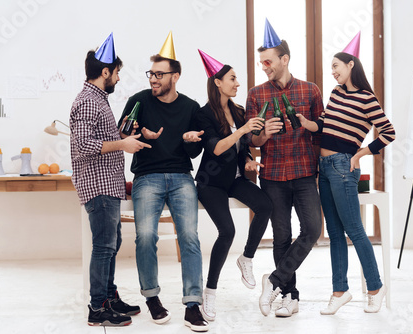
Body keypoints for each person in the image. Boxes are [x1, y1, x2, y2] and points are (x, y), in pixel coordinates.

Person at [117, 32, 208, 332]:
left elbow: (194, 150)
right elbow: (121, 135)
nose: (153, 79)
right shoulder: (139, 101)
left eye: (159, 74)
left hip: (182, 176)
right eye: (151, 74)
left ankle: (193, 305)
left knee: (190, 238)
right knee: (145, 236)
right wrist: (140, 134)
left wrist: (190, 139)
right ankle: (152, 297)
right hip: (147, 177)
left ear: (175, 76)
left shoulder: (191, 107)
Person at [297, 51, 396, 314]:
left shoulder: (367, 98)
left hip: (343, 166)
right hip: (324, 167)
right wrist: (308, 123)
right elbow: (325, 123)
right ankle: (340, 291)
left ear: (351, 65)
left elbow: (389, 132)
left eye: (336, 66)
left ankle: (375, 288)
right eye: (331, 67)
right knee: (334, 232)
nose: (333, 71)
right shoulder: (336, 93)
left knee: (354, 229)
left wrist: (362, 152)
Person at [245, 20, 323, 317]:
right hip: (273, 176)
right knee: (281, 237)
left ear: (284, 59)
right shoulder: (256, 94)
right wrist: (263, 135)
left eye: (268, 61)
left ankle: (274, 281)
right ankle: (290, 296)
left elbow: (321, 132)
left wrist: (308, 124)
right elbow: (251, 139)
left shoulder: (310, 90)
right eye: (261, 62)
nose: (264, 67)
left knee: (313, 229)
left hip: (304, 172)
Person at [70, 33, 149, 327]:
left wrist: (124, 136)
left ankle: (109, 296)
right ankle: (98, 307)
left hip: (109, 185)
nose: (117, 78)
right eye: (116, 73)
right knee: (104, 246)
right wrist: (122, 145)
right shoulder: (89, 101)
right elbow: (83, 145)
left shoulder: (98, 100)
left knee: (111, 244)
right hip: (99, 186)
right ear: (105, 72)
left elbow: (99, 139)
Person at [195, 50, 273, 322]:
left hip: (236, 180)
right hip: (211, 182)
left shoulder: (239, 112)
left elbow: (244, 147)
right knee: (227, 231)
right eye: (232, 78)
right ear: (217, 82)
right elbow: (216, 148)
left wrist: (250, 159)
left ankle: (247, 258)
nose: (237, 83)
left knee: (266, 206)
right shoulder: (204, 114)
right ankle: (210, 292)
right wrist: (241, 131)